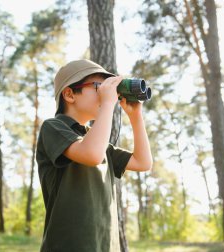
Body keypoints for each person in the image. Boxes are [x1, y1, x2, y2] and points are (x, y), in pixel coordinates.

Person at [36, 59, 153, 252]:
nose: (109, 94)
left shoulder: (94, 140)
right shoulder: (53, 127)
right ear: (69, 94)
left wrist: (135, 117)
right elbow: (91, 154)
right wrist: (107, 104)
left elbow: (142, 162)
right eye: (99, 86)